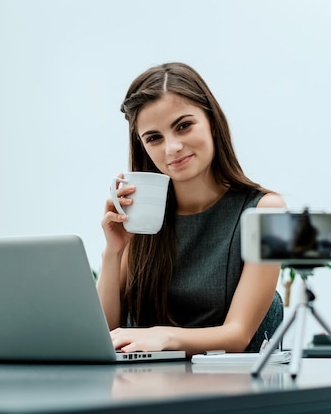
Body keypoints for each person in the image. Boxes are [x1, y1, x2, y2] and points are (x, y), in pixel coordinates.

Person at [97, 62, 286, 357]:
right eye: (154, 138)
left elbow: (237, 335)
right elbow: (105, 333)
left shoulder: (266, 210)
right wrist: (113, 252)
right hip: (144, 389)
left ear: (212, 121)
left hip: (231, 393)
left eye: (183, 126)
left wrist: (163, 337)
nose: (172, 147)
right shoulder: (146, 217)